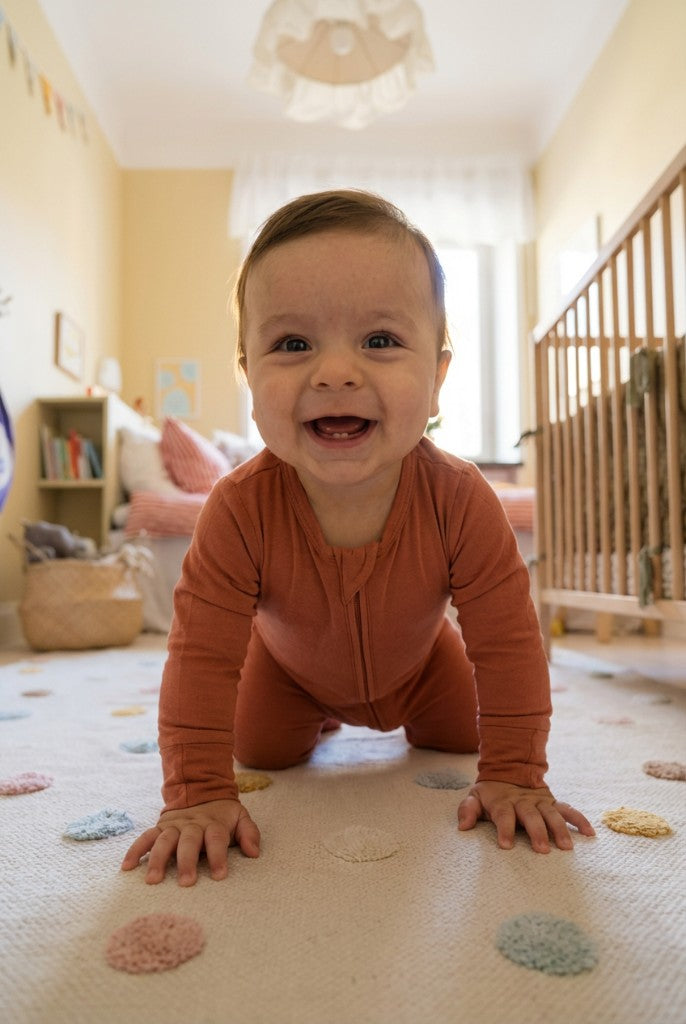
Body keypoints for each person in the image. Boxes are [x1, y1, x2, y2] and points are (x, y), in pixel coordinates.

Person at [122, 189, 595, 887]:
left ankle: (420, 717)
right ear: (249, 378)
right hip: (286, 671)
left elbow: (508, 642)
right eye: (292, 344)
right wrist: (195, 794)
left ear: (436, 379)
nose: (336, 371)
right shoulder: (235, 507)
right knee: (260, 751)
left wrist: (517, 775)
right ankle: (313, 713)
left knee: (467, 735)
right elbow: (198, 656)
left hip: (426, 665)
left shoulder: (463, 499)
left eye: (379, 341)